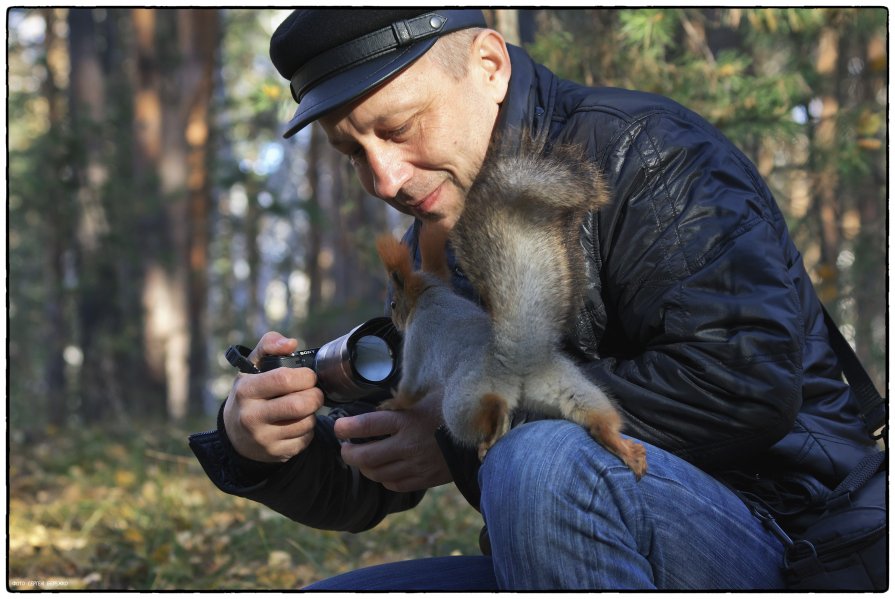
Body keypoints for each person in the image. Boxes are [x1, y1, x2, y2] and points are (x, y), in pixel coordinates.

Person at [189, 9, 880, 590]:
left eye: (397, 128)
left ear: (488, 65)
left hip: (793, 544)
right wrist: (259, 444)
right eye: (351, 152)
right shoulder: (438, 235)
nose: (383, 176)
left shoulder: (650, 154)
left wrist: (469, 431)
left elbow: (737, 386)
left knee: (541, 462)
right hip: (575, 547)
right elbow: (389, 457)